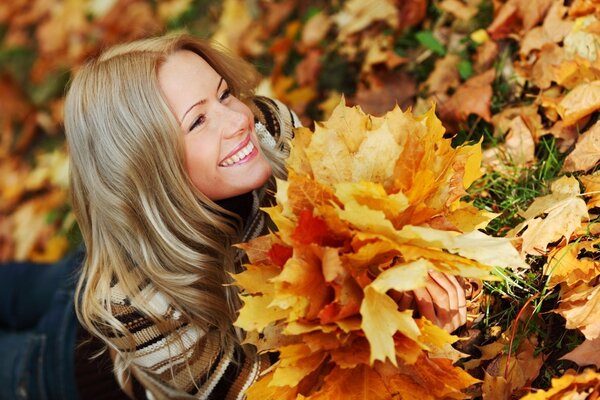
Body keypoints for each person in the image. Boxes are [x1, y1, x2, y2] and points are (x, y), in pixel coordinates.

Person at [0, 33, 467, 400]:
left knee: (33, 285)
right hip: (65, 363)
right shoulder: (142, 308)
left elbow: (352, 217)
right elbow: (268, 390)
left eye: (224, 94)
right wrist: (386, 335)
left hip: (125, 252)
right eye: (197, 121)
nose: (236, 121)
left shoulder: (268, 129)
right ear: (149, 167)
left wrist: (397, 268)